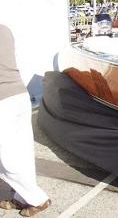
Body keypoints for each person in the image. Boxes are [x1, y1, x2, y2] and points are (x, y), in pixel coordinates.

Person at [0, 24, 51, 216]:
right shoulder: (4, 29)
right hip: (19, 95)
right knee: (22, 152)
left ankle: (38, 199)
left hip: (2, 101)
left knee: (6, 159)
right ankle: (22, 197)